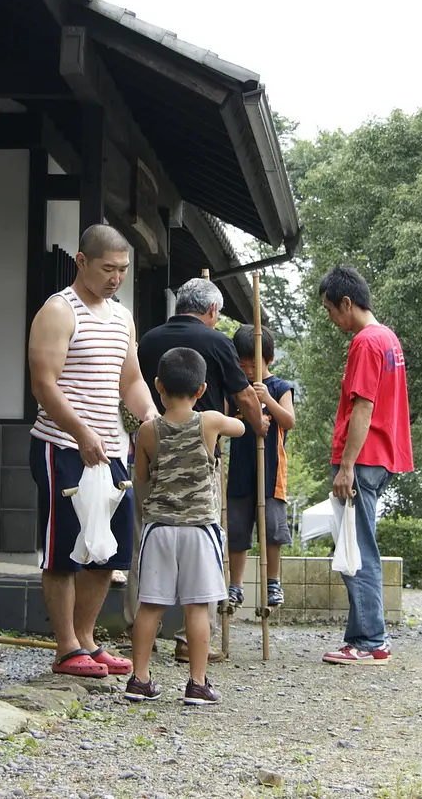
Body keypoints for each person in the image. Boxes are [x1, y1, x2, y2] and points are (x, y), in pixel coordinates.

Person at [27, 224, 158, 679]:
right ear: (81, 261)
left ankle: (86, 638)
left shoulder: (122, 317)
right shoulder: (59, 311)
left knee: (110, 549)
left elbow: (132, 380)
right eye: (108, 268)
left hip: (111, 450)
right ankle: (66, 647)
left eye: (122, 270)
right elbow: (43, 383)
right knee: (65, 548)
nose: (116, 278)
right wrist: (81, 431)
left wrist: (150, 419)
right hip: (62, 444)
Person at [131, 277, 269, 662]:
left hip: (152, 455)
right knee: (201, 586)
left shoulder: (150, 338)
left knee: (146, 554)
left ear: (160, 385)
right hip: (201, 476)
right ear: (211, 311)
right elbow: (242, 399)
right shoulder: (217, 347)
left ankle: (138, 636)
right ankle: (189, 648)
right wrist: (257, 420)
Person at [125, 348, 245, 705]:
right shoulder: (209, 421)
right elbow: (239, 426)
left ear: (158, 386)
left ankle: (140, 678)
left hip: (159, 529)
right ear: (201, 388)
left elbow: (142, 479)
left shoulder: (148, 431)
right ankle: (196, 682)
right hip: (199, 530)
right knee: (196, 607)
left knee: (151, 604)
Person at [319, 266, 413, 666]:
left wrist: (346, 466)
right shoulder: (388, 337)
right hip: (385, 453)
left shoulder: (365, 342)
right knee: (359, 545)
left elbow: (363, 406)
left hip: (364, 457)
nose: (331, 319)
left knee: (358, 550)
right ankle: (360, 637)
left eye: (331, 310)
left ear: (346, 303)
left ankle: (372, 640)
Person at [225, 325, 295, 609]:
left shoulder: (279, 387)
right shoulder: (237, 391)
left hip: (271, 472)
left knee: (273, 530)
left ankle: (272, 582)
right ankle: (236, 585)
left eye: (253, 362)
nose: (248, 368)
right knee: (238, 531)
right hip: (241, 471)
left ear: (269, 358)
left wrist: (266, 400)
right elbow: (223, 422)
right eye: (242, 363)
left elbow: (289, 421)